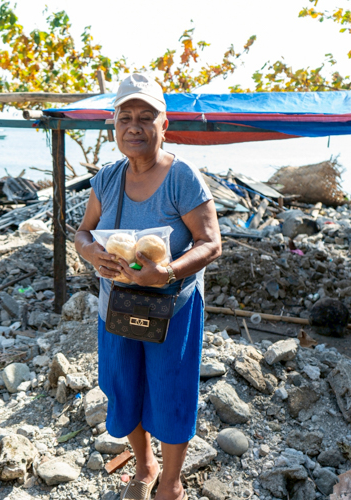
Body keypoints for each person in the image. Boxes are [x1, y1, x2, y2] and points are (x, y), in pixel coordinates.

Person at [75, 74, 222, 500]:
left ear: (164, 125)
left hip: (171, 310)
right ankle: (145, 466)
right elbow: (83, 233)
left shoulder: (182, 178)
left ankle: (172, 484)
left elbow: (211, 243)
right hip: (116, 307)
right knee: (124, 387)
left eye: (146, 117)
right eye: (125, 117)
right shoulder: (107, 178)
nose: (134, 126)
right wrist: (91, 253)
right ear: (114, 125)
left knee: (171, 390)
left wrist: (170, 271)